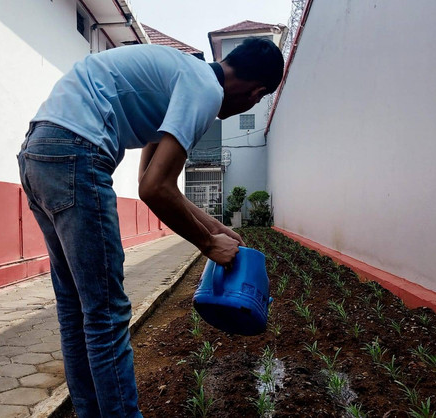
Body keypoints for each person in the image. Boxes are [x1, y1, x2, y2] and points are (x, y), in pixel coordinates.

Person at [17, 37, 284, 417]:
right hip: (77, 152)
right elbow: (154, 188)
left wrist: (214, 227)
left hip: (39, 151)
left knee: (78, 308)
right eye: (257, 100)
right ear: (256, 93)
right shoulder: (205, 90)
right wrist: (208, 244)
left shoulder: (182, 77)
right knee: (106, 312)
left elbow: (152, 183)